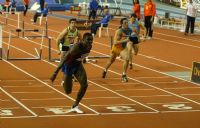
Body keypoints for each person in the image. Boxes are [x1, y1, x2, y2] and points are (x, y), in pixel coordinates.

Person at [50, 33, 93, 114]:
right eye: (88, 40)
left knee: (84, 85)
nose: (90, 42)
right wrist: (55, 73)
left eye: (91, 40)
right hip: (68, 65)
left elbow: (83, 55)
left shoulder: (89, 46)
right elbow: (64, 59)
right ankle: (64, 82)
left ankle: (75, 105)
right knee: (68, 91)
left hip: (78, 65)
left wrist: (83, 60)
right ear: (83, 40)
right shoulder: (76, 47)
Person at [102, 18, 132, 82]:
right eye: (125, 23)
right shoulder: (119, 31)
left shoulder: (130, 30)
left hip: (123, 48)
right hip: (116, 48)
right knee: (111, 61)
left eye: (127, 22)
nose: (127, 24)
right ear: (122, 24)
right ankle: (105, 70)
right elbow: (115, 42)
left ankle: (124, 75)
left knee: (127, 58)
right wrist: (125, 40)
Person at [56, 18, 81, 85]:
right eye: (72, 23)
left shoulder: (77, 31)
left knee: (72, 62)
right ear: (69, 23)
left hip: (72, 46)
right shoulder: (66, 31)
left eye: (74, 23)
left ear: (76, 24)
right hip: (65, 45)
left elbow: (81, 40)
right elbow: (57, 39)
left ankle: (71, 76)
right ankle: (63, 80)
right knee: (63, 63)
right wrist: (58, 49)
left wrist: (80, 47)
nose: (73, 24)